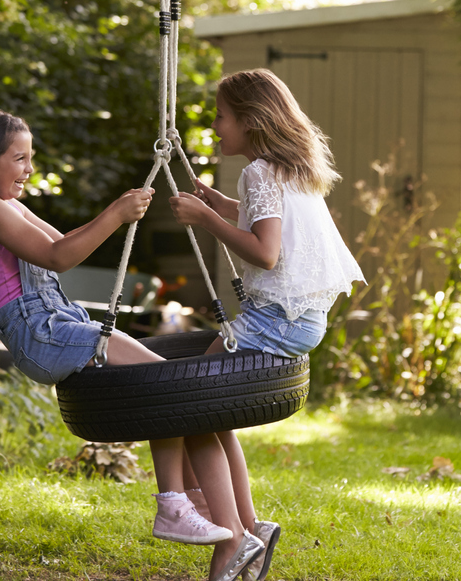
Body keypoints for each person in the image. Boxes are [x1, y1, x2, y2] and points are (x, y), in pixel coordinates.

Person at [0, 109, 267, 581]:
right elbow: (57, 257)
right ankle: (179, 506)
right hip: (41, 334)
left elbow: (63, 244)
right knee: (166, 386)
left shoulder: (9, 206)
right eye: (19, 159)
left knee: (173, 389)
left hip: (59, 324)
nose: (28, 169)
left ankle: (233, 527)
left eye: (31, 158)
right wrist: (116, 215)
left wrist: (113, 216)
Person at [170, 68, 366, 581]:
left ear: (251, 120)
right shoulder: (287, 169)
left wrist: (206, 220)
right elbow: (263, 220)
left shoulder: (260, 171)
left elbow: (266, 250)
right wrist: (218, 202)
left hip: (274, 319)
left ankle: (233, 537)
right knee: (212, 418)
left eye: (220, 116)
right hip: (300, 319)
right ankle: (251, 526)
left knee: (189, 407)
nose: (215, 127)